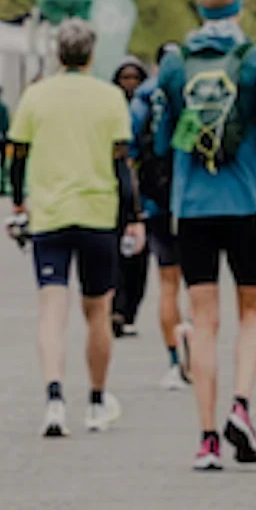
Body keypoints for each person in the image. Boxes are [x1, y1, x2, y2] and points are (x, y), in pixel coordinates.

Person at [142, 0, 256, 472]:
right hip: (245, 201)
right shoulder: (255, 58)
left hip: (192, 206)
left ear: (198, 6)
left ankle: (206, 437)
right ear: (240, 4)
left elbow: (161, 141)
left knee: (202, 320)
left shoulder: (174, 62)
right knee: (252, 313)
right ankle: (241, 405)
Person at [9, 20, 143, 439]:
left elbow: (17, 156)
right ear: (91, 55)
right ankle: (97, 401)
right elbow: (122, 163)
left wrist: (19, 202)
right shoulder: (110, 99)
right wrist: (133, 216)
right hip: (98, 213)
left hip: (50, 213)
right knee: (98, 310)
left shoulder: (36, 96)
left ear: (56, 54)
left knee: (52, 309)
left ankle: (53, 398)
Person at [107, 57, 160, 339]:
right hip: (115, 192)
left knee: (139, 258)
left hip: (146, 191)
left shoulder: (150, 111)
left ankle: (127, 312)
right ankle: (116, 307)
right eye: (124, 78)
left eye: (134, 78)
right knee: (115, 253)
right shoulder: (109, 110)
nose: (129, 84)